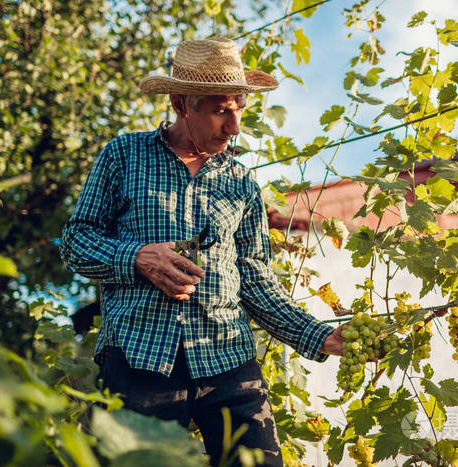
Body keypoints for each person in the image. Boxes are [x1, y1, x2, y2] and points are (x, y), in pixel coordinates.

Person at [60, 37, 344, 466]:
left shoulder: (242, 182)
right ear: (180, 103)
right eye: (219, 110)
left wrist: (317, 333)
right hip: (140, 358)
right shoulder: (124, 156)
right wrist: (139, 258)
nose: (234, 127)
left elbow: (255, 280)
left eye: (239, 108)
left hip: (228, 360)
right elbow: (75, 242)